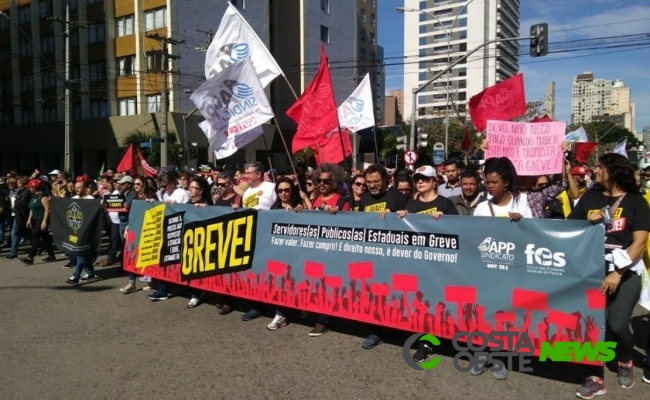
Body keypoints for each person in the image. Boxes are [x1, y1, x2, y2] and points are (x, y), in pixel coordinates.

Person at [569, 153, 650, 398]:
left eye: (600, 167)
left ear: (612, 171)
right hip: (591, 271)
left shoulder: (637, 202)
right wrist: (586, 220)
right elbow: (569, 229)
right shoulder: (589, 198)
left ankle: (625, 359)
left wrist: (617, 272)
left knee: (616, 324)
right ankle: (595, 377)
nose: (594, 170)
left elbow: (640, 242)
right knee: (593, 325)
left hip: (625, 273)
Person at [357, 164, 407, 349]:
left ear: (385, 180)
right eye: (369, 182)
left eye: (376, 181)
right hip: (371, 255)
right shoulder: (364, 199)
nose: (372, 185)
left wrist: (394, 216)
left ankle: (395, 328)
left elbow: (407, 223)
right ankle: (375, 331)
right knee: (371, 293)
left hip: (393, 256)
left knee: (392, 293)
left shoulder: (398, 198)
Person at [307, 163, 350, 337]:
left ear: (335, 182)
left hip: (333, 252)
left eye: (327, 181)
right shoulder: (315, 198)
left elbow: (348, 227)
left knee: (328, 284)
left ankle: (324, 318)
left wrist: (337, 216)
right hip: (314, 250)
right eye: (319, 180)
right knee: (314, 281)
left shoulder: (342, 201)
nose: (322, 184)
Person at [239, 162, 277, 322]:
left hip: (268, 235)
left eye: (249, 172)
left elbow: (279, 206)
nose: (245, 176)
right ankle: (256, 306)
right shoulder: (247, 191)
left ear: (259, 174)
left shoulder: (271, 187)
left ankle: (278, 307)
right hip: (251, 235)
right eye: (245, 172)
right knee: (254, 271)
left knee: (272, 271)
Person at [65, 179, 99, 284]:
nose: (76, 189)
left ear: (85, 188)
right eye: (76, 187)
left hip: (87, 231)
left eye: (79, 187)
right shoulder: (73, 198)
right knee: (84, 253)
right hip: (76, 230)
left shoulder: (90, 199)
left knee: (80, 252)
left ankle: (76, 276)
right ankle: (90, 273)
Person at [21, 179, 56, 265]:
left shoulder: (43, 196)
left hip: (42, 218)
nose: (29, 188)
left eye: (30, 187)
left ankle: (30, 257)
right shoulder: (33, 196)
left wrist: (44, 221)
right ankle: (51, 256)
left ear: (34, 187)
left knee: (35, 236)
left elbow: (48, 209)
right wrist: (29, 219)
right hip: (35, 219)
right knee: (45, 237)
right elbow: (32, 209)